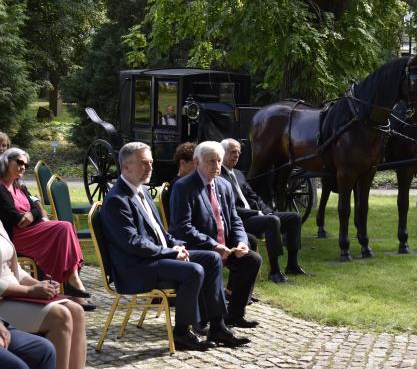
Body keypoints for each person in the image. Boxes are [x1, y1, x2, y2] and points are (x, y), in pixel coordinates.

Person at [101, 142, 249, 349]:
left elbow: (163, 233)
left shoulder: (140, 191)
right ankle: (181, 333)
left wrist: (177, 246)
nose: (150, 167)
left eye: (151, 162)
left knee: (212, 258)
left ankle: (217, 326)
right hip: (135, 268)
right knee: (193, 270)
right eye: (144, 163)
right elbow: (133, 243)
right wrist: (170, 252)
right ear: (126, 167)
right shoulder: (118, 199)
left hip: (153, 258)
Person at [170, 141, 262, 328]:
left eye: (219, 161)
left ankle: (235, 315)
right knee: (212, 259)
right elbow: (182, 228)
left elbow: (235, 220)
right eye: (211, 161)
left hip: (225, 247)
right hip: (199, 248)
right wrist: (213, 244)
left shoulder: (223, 185)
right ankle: (207, 318)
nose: (217, 166)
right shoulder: (184, 187)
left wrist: (241, 242)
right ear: (197, 163)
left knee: (252, 259)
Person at [0, 148, 95, 311]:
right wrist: (34, 213)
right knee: (63, 228)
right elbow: (19, 220)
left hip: (32, 231)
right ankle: (72, 283)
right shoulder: (1, 189)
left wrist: (33, 213)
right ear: (6, 162)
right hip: (16, 237)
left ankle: (72, 281)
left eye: (26, 165)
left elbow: (36, 208)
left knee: (65, 228)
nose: (23, 167)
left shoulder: (19, 186)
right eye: (20, 162)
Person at [1, 219, 85, 369]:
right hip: (3, 301)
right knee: (60, 315)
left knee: (76, 310)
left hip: (15, 294)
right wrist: (29, 291)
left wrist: (39, 284)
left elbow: (15, 269)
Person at [220, 138, 307, 283]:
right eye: (233, 152)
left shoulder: (239, 174)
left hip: (257, 215)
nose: (236, 156)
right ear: (222, 153)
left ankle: (292, 265)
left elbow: (255, 197)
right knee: (272, 221)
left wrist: (267, 211)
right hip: (240, 220)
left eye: (239, 153)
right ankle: (274, 271)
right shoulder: (219, 176)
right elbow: (230, 209)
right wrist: (257, 213)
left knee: (294, 217)